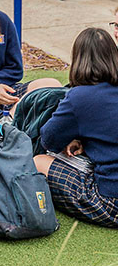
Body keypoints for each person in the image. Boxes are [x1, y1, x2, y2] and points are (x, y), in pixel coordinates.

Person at [33, 28, 118, 228]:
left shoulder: (79, 97)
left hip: (110, 201)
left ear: (79, 59)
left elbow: (49, 140)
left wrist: (75, 137)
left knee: (39, 161)